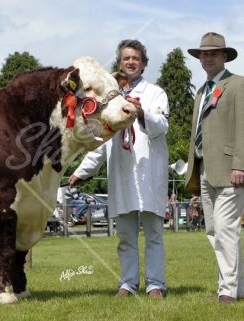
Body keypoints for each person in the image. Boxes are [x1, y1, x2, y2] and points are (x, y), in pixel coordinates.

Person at [69, 39, 169, 298]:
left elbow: (161, 126)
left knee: (154, 233)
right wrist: (83, 171)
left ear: (144, 64)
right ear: (120, 63)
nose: (131, 62)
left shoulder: (156, 93)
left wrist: (142, 112)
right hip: (121, 173)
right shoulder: (109, 97)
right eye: (126, 58)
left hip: (149, 173)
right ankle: (128, 283)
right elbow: (102, 139)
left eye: (136, 58)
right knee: (125, 235)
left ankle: (155, 284)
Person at [185, 32, 244, 304]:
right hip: (204, 169)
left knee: (226, 229)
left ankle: (226, 289)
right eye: (203, 53)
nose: (207, 57)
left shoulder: (240, 84)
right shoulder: (202, 91)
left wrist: (241, 165)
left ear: (225, 56)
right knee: (214, 231)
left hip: (231, 170)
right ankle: (235, 287)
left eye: (213, 53)